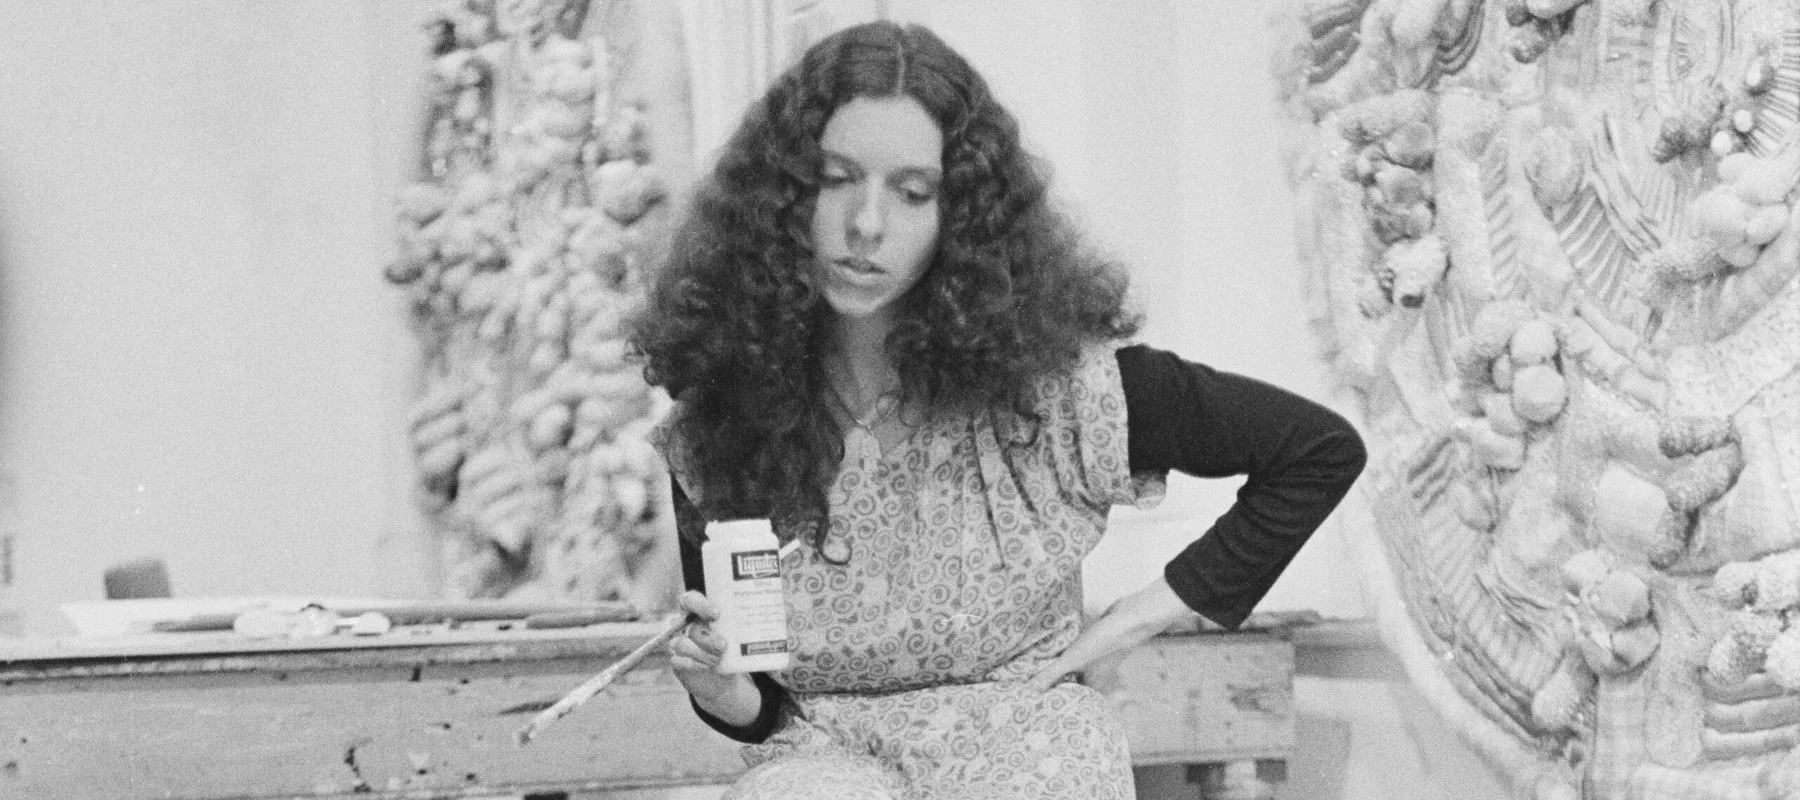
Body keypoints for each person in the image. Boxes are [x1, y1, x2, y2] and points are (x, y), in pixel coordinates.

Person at [630, 20, 1365, 800]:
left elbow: (1317, 451)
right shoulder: (720, 425)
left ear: (963, 217)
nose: (867, 224)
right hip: (827, 752)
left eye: (912, 193)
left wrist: (1144, 615)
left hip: (1022, 742)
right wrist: (719, 689)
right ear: (779, 196)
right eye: (835, 178)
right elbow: (761, 707)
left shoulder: (1056, 391)